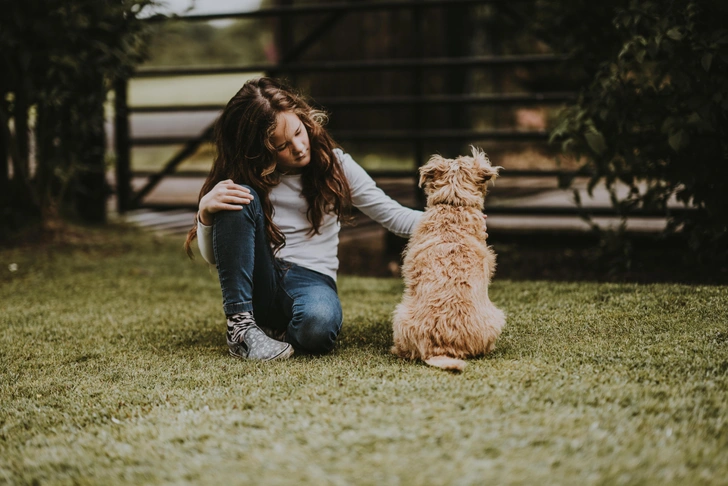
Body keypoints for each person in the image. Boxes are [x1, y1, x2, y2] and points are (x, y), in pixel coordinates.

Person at [184, 77, 426, 361]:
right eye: (281, 146)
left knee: (318, 328)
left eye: (299, 132)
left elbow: (394, 216)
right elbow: (215, 259)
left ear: (305, 118)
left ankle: (271, 335)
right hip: (260, 276)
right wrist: (205, 214)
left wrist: (455, 220)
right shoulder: (242, 180)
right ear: (259, 152)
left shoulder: (337, 167)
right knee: (237, 195)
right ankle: (241, 329)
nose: (299, 147)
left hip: (312, 278)